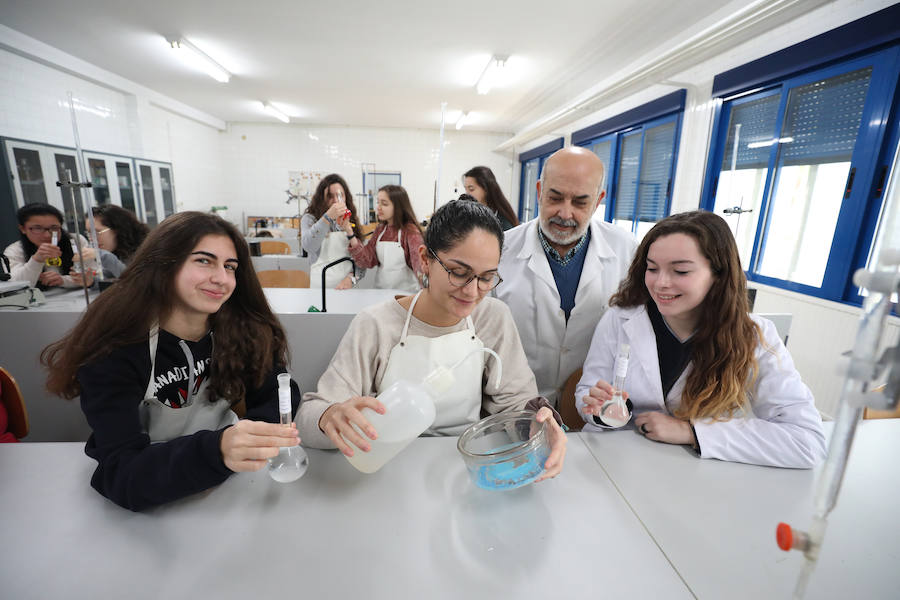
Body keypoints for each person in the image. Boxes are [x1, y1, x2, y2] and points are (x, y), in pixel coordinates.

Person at [40, 212, 301, 510]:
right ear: (164, 262)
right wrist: (217, 450)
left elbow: (277, 391)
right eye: (204, 261)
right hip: (153, 487)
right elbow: (121, 474)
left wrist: (255, 438)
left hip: (228, 486)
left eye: (230, 266)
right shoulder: (115, 349)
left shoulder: (240, 329)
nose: (221, 278)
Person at [296, 200, 566, 479]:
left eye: (486, 278)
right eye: (459, 272)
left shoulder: (493, 318)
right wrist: (330, 416)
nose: (472, 291)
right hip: (386, 470)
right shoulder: (376, 325)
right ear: (425, 259)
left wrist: (537, 426)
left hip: (464, 471)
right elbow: (309, 415)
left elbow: (517, 404)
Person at [576, 210, 826, 468]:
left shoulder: (753, 337)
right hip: (618, 461)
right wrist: (603, 411)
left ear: (718, 274)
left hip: (698, 471)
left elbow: (807, 442)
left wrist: (692, 432)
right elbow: (588, 391)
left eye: (680, 271)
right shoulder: (619, 319)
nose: (660, 283)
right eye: (652, 268)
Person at [495, 147, 637, 405]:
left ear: (598, 200)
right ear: (539, 191)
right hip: (515, 404)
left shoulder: (627, 251)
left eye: (580, 202)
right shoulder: (500, 250)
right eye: (555, 197)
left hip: (591, 406)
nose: (565, 213)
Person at [347, 184, 424, 292]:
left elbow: (419, 267)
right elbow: (366, 260)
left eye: (384, 204)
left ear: (398, 206)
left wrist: (425, 289)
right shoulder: (380, 230)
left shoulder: (410, 232)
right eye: (378, 202)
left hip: (405, 294)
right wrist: (350, 232)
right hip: (381, 292)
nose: (378, 207)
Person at [4, 204, 94, 289]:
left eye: (54, 228)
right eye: (37, 228)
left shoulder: (75, 241)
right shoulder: (14, 251)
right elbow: (16, 286)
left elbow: (92, 274)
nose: (47, 235)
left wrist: (63, 280)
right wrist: (36, 260)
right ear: (23, 229)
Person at [301, 174, 364, 289]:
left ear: (346, 197)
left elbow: (362, 261)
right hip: (319, 287)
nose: (335, 200)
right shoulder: (310, 219)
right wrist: (327, 218)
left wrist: (351, 278)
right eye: (330, 196)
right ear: (322, 198)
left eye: (340, 195)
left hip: (347, 288)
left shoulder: (351, 220)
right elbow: (309, 246)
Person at [86, 205, 150, 278]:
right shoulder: (118, 251)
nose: (92, 239)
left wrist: (101, 255)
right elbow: (109, 276)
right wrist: (91, 281)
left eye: (96, 232)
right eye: (89, 233)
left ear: (117, 229)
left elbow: (134, 280)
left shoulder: (145, 250)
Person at [463, 166, 519, 230]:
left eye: (471, 189)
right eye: (466, 189)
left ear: (486, 189)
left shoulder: (504, 223)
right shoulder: (469, 214)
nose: (467, 194)